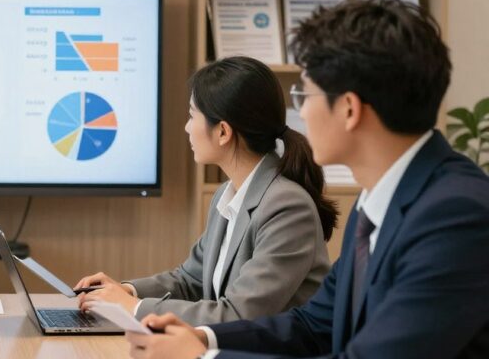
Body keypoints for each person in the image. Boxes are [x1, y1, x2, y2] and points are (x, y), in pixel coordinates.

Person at [126, 0, 489, 359]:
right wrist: (200, 337)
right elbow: (311, 327)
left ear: (350, 109)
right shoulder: (378, 199)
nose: (300, 113)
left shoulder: (455, 216)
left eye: (305, 94)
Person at [74, 56, 334, 325]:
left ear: (222, 131)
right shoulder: (227, 195)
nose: (187, 127)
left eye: (191, 115)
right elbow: (191, 281)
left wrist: (134, 307)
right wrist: (126, 291)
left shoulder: (287, 207)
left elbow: (239, 315)